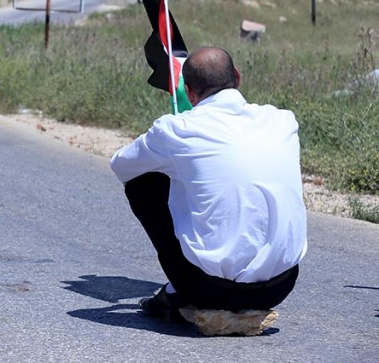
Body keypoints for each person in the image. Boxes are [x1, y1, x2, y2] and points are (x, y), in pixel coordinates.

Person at [109, 47, 306, 322]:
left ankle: (180, 290)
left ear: (189, 93)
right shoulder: (282, 120)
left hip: (207, 289)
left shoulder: (177, 129)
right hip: (280, 285)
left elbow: (121, 165)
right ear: (237, 76)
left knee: (143, 181)